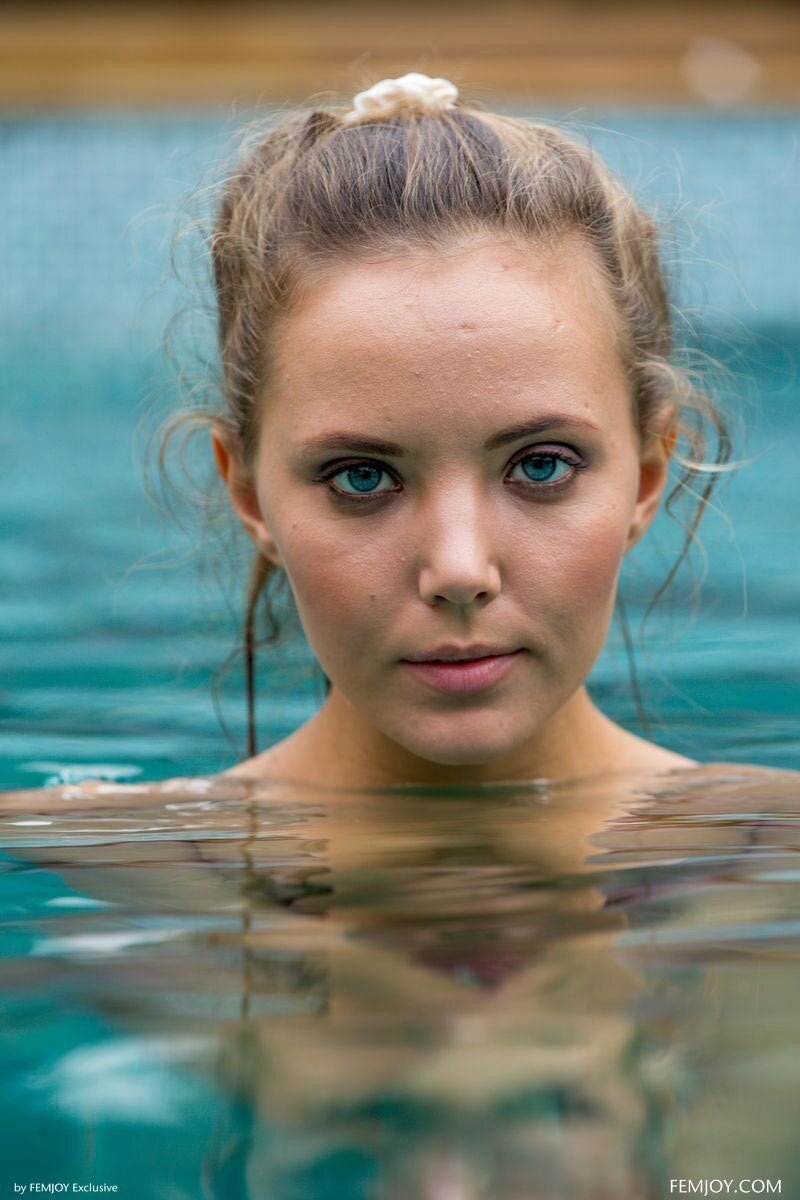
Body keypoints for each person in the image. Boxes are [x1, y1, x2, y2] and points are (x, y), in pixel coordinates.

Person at [201, 71, 729, 792]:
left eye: (542, 466)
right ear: (250, 494)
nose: (457, 572)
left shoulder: (765, 859)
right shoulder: (106, 863)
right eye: (362, 477)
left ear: (646, 476)